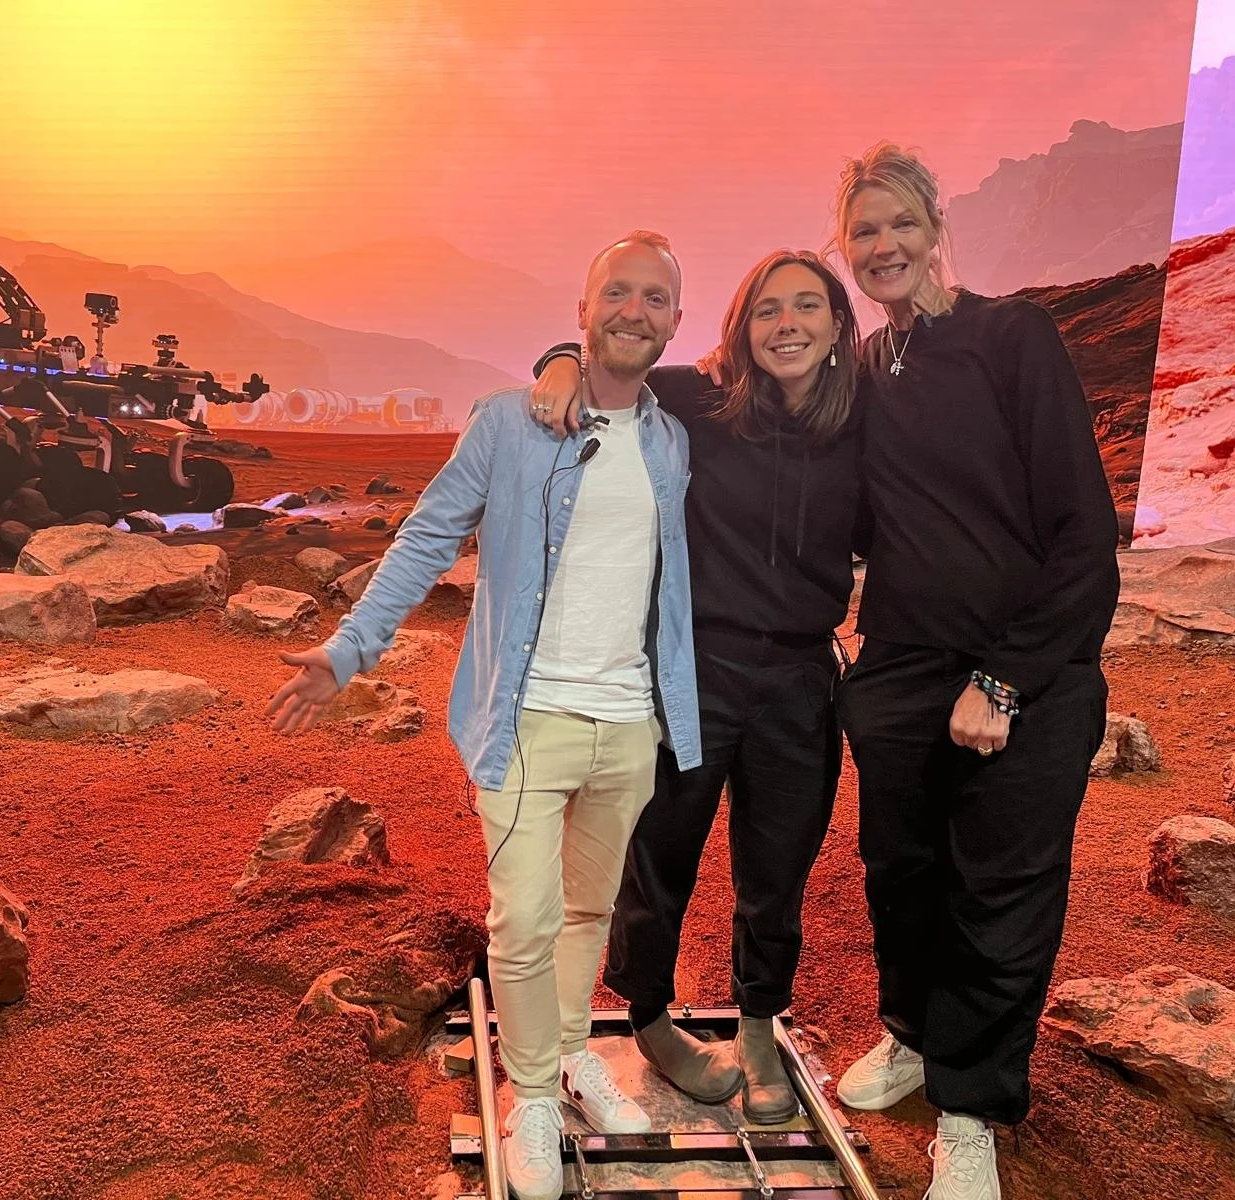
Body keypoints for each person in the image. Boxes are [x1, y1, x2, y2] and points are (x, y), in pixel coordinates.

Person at [267, 232, 701, 1200]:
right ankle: (535, 1094)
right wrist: (349, 650)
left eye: (656, 299)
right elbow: (427, 534)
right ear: (582, 310)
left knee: (589, 909)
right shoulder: (511, 422)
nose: (635, 311)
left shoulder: (672, 442)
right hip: (526, 717)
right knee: (525, 915)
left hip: (629, 723)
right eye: (616, 294)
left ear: (676, 319)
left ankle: (574, 1053)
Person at [825, 143, 1118, 1200]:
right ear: (845, 249)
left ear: (935, 226)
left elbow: (1083, 534)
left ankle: (969, 1105)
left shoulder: (1011, 337)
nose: (882, 245)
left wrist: (1002, 681)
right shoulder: (862, 366)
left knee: (1001, 891)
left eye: (899, 222)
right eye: (863, 231)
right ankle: (912, 1034)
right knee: (901, 875)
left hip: (1020, 675)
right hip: (902, 666)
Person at [526, 249, 864, 1123]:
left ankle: (758, 1030)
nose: (787, 325)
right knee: (660, 851)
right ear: (742, 328)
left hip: (799, 676)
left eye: (807, 308)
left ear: (837, 328)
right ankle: (650, 1020)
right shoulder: (698, 403)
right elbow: (609, 360)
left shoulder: (858, 424)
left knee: (778, 866)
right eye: (767, 310)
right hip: (695, 666)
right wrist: (559, 361)